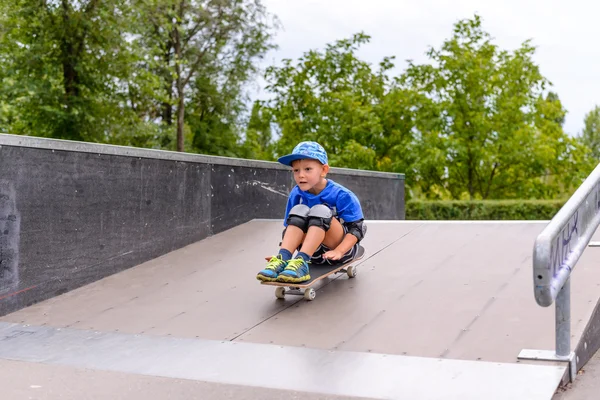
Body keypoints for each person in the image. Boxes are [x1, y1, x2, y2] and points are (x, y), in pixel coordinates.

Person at [256, 141, 367, 283]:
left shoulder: (342, 195)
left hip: (340, 251)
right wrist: (286, 253)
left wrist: (339, 251)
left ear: (324, 170)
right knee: (299, 211)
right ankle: (284, 259)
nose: (301, 175)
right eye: (296, 170)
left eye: (308, 169)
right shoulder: (296, 194)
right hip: (312, 254)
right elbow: (290, 228)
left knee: (320, 210)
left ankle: (301, 261)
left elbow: (358, 229)